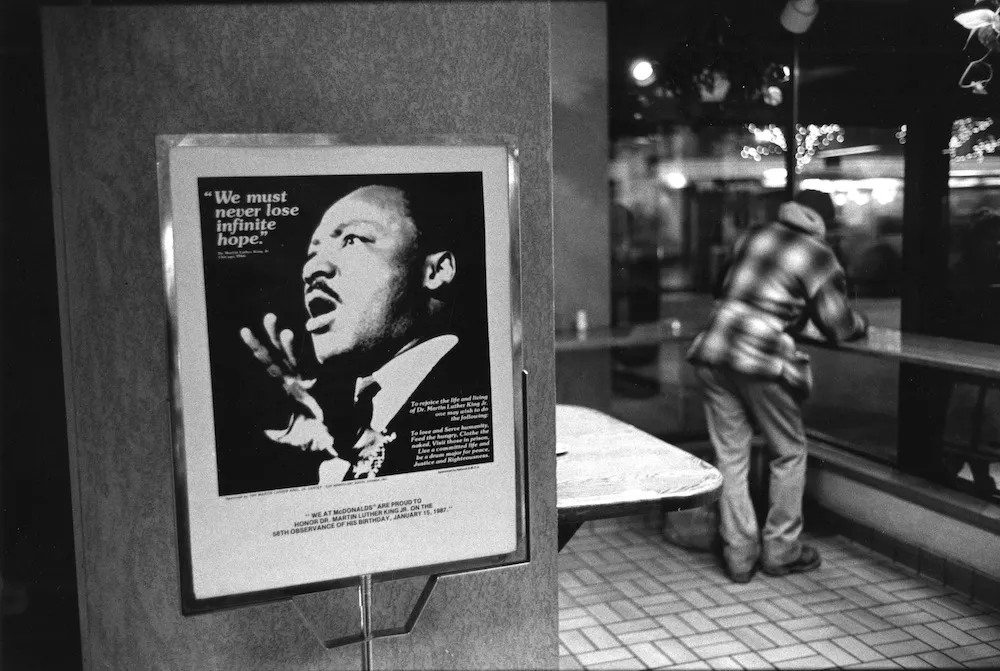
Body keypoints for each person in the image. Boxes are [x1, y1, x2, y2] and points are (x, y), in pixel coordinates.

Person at [239, 183, 484, 483]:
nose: (311, 269)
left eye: (352, 239)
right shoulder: (332, 432)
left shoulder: (486, 401)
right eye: (311, 253)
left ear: (435, 271)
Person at [686, 190, 869, 583]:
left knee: (730, 458)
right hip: (760, 359)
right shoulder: (819, 255)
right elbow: (838, 325)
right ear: (823, 223)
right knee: (788, 452)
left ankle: (739, 556)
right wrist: (862, 323)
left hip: (714, 349)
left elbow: (724, 289)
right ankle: (781, 552)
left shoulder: (755, 235)